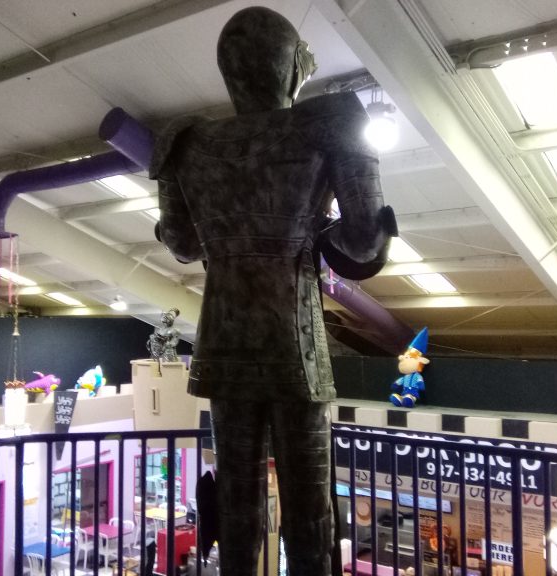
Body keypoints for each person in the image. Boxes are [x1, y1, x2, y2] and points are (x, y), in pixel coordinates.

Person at [150, 7, 396, 575]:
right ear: (290, 67)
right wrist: (318, 233)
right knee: (309, 511)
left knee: (237, 507)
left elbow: (181, 243)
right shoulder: (330, 120)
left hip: (224, 342)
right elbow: (364, 241)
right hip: (294, 344)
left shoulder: (185, 141)